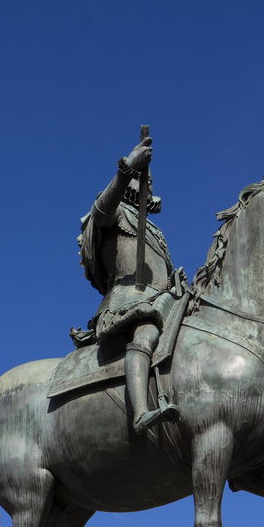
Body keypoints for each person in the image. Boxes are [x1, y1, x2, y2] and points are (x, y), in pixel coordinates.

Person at [74, 132, 181, 433]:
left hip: (162, 298)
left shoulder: (157, 232)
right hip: (128, 300)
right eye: (139, 179)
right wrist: (128, 168)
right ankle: (140, 413)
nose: (144, 182)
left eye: (145, 180)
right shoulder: (114, 212)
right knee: (146, 333)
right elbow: (101, 210)